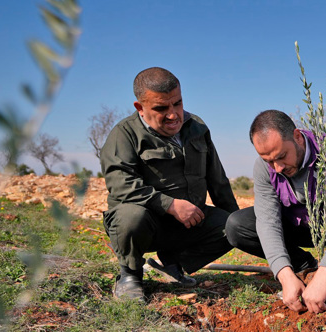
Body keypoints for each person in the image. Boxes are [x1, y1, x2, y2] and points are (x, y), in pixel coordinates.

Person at [100, 67, 239, 301]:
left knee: (234, 226)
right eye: (161, 108)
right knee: (130, 217)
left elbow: (218, 182)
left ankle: (173, 264)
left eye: (178, 103)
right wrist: (170, 205)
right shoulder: (124, 134)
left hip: (189, 223)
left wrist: (242, 224)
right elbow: (120, 183)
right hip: (146, 223)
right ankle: (130, 276)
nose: (174, 115)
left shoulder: (197, 128)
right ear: (140, 108)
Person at [226, 109, 326, 313]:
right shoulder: (265, 167)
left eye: (282, 156)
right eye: (268, 161)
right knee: (237, 225)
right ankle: (305, 269)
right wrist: (284, 273)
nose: (277, 167)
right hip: (297, 226)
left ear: (297, 137)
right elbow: (267, 221)